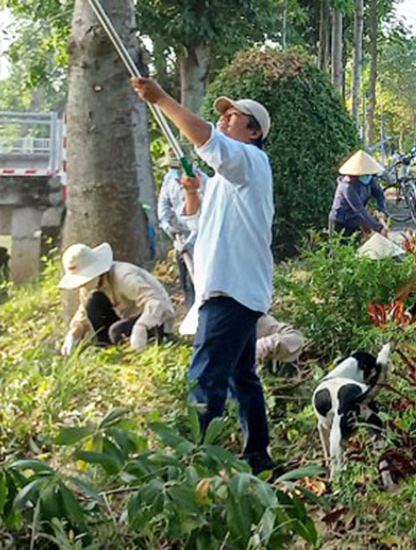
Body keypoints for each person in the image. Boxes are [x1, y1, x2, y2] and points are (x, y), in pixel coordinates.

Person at [131, 77, 278, 474]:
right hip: (233, 290)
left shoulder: (249, 161)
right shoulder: (228, 177)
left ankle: (197, 469)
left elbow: (205, 137)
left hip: (230, 292)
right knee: (241, 378)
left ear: (254, 132)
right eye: (223, 114)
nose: (225, 118)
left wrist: (161, 98)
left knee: (205, 381)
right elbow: (198, 222)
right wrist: (194, 191)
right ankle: (257, 458)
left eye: (234, 115)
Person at [59, 242, 176, 355]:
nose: (82, 285)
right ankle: (107, 349)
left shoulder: (124, 277)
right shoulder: (89, 286)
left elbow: (156, 302)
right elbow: (84, 311)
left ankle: (141, 345)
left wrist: (142, 326)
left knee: (116, 331)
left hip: (156, 319)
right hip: (126, 318)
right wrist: (74, 333)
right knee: (93, 301)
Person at [157, 154, 207, 306]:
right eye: (172, 168)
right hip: (181, 238)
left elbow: (203, 219)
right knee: (186, 282)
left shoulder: (203, 182)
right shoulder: (169, 180)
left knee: (199, 281)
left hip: (201, 241)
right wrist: (168, 226)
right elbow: (163, 205)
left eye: (178, 168)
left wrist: (190, 242)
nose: (175, 172)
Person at [329, 150, 388, 237]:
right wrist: (378, 227)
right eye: (365, 174)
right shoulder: (347, 186)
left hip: (355, 220)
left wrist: (382, 210)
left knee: (357, 242)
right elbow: (359, 208)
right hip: (341, 221)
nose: (368, 176)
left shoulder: (370, 181)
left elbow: (379, 194)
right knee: (340, 244)